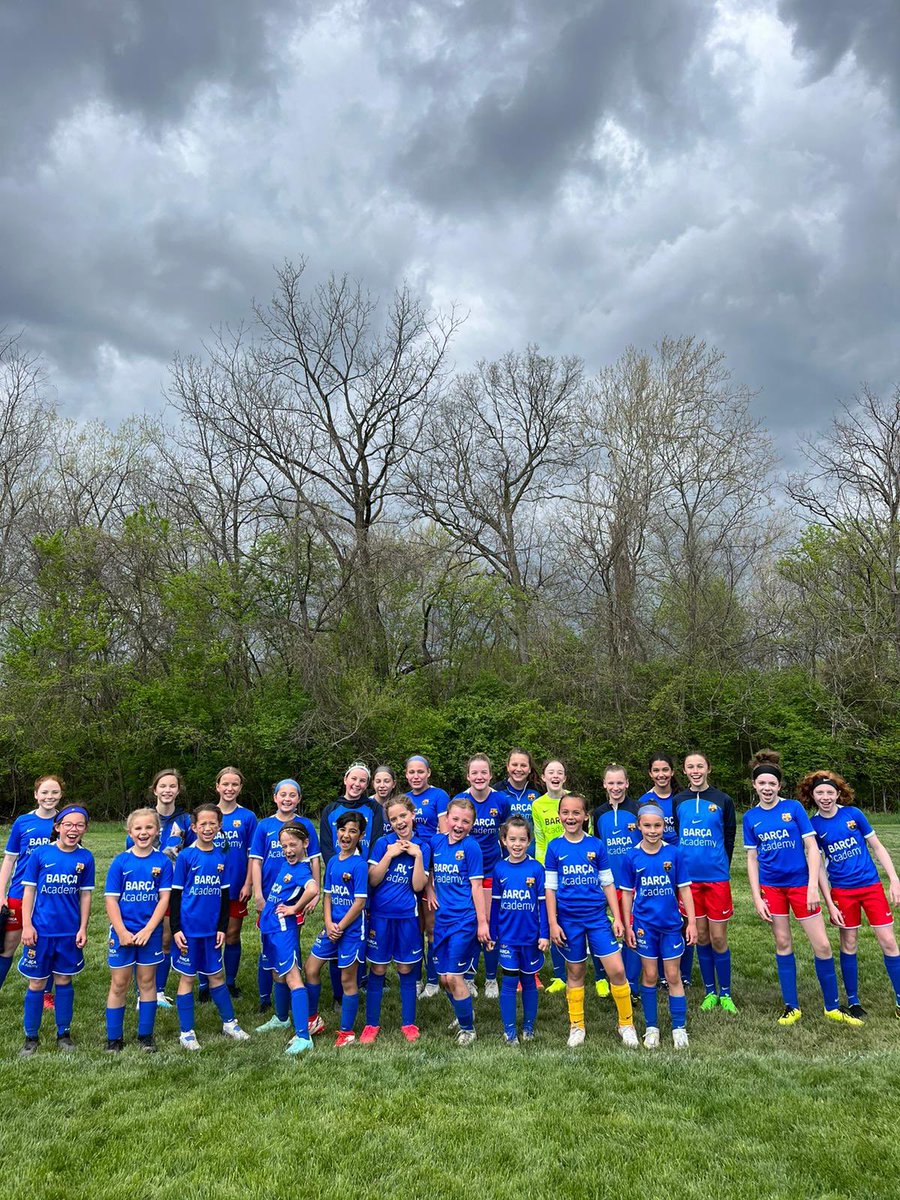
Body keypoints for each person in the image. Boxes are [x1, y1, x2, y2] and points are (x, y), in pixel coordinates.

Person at [743, 751, 861, 1027]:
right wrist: (757, 897)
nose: (767, 788)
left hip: (800, 886)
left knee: (822, 945)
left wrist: (812, 888)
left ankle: (832, 1007)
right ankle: (791, 1007)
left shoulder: (794, 808)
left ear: (779, 786)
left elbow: (812, 848)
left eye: (772, 783)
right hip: (772, 888)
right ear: (755, 785)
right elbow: (751, 858)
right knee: (783, 943)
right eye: (762, 783)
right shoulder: (750, 817)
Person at [802, 769, 900, 1020]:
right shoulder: (813, 825)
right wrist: (829, 903)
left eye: (830, 792)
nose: (825, 797)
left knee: (888, 941)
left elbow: (877, 846)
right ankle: (853, 1001)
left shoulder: (853, 814)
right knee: (849, 943)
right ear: (813, 796)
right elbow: (819, 867)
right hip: (842, 892)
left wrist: (894, 879)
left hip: (871, 887)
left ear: (838, 794)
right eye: (820, 793)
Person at [545, 793, 639, 1049]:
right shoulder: (554, 847)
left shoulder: (596, 845)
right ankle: (577, 1026)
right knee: (575, 972)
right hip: (568, 921)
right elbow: (550, 888)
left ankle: (626, 1024)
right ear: (559, 815)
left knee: (616, 970)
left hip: (597, 918)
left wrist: (617, 917)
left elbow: (607, 883)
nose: (570, 817)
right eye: (565, 812)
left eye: (576, 812)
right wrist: (553, 923)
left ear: (585, 816)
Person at [170, 804, 251, 1050]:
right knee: (187, 978)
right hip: (188, 931)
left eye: (212, 824)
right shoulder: (186, 856)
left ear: (219, 826)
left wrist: (222, 928)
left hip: (211, 931)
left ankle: (229, 1023)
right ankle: (186, 1032)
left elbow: (225, 897)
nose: (207, 828)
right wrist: (176, 928)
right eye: (202, 824)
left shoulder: (221, 856)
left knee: (216, 975)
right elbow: (176, 895)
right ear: (194, 827)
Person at [18, 805, 95, 1056]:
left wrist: (82, 927)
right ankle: (31, 1036)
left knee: (63, 980)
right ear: (58, 827)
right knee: (37, 982)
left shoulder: (86, 858)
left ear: (85, 829)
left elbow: (85, 896)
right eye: (68, 824)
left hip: (68, 933)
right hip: (40, 932)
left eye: (79, 825)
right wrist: (27, 925)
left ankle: (64, 1033)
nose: (73, 829)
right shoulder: (41, 854)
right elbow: (29, 891)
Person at [621, 803, 697, 1050]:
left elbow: (684, 889)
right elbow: (626, 894)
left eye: (657, 825)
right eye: (647, 825)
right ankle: (651, 1027)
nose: (652, 830)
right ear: (639, 826)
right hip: (644, 926)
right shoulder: (631, 856)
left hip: (671, 925)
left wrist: (692, 922)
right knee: (650, 975)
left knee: (673, 975)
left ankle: (679, 1028)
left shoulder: (674, 854)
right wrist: (628, 925)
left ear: (664, 826)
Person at [360, 796, 430, 1043]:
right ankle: (371, 1024)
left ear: (412, 815)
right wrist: (389, 856)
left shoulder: (423, 847)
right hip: (380, 917)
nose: (399, 822)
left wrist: (417, 856)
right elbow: (373, 879)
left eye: (403, 816)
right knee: (378, 968)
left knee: (405, 967)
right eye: (393, 819)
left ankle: (408, 1023)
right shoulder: (383, 843)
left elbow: (418, 886)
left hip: (407, 917)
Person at [439, 755, 509, 999]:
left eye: (484, 772)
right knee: (469, 924)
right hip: (462, 873)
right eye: (474, 773)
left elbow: (506, 833)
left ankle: (490, 978)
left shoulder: (501, 800)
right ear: (468, 776)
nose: (479, 777)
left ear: (491, 774)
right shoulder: (460, 800)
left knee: (488, 923)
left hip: (490, 870)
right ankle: (467, 976)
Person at [249, 778, 321, 1011]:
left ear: (299, 799)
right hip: (270, 896)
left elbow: (314, 859)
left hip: (293, 897)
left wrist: (316, 893)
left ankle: (292, 992)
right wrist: (258, 894)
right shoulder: (264, 826)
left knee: (290, 942)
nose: (287, 799)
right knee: (268, 945)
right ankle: (265, 999)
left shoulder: (305, 825)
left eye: (292, 795)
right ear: (275, 798)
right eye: (283, 794)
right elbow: (256, 861)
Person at [104, 808, 173, 1052]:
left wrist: (149, 930)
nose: (143, 832)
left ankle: (145, 1036)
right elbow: (111, 900)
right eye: (138, 828)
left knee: (147, 982)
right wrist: (122, 931)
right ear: (130, 832)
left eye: (149, 827)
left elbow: (164, 900)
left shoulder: (163, 862)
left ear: (157, 831)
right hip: (122, 933)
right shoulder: (120, 862)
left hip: (149, 934)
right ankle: (114, 1038)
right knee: (119, 984)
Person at [673, 752, 737, 1012]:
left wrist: (721, 865)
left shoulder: (723, 800)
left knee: (718, 938)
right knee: (700, 936)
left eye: (700, 766)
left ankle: (726, 993)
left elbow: (729, 837)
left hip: (716, 879)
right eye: (690, 766)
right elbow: (678, 833)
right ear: (685, 771)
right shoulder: (679, 800)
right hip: (689, 881)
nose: (695, 770)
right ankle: (710, 991)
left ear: (708, 769)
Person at [426, 796, 490, 1046]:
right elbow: (429, 871)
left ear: (472, 824)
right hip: (442, 920)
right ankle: (465, 1011)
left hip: (464, 919)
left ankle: (468, 1029)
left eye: (465, 821)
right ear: (447, 819)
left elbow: (477, 887)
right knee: (444, 979)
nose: (459, 825)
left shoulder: (471, 848)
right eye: (455, 819)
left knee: (453, 976)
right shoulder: (436, 842)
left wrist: (482, 923)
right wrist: (430, 890)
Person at [254, 823, 319, 1055]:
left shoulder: (301, 869)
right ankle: (281, 1018)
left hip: (283, 930)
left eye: (293, 845)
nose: (288, 850)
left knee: (292, 977)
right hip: (271, 928)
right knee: (277, 973)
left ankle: (304, 1036)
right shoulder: (286, 864)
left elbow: (312, 889)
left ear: (305, 844)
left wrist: (295, 908)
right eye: (284, 846)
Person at [305, 811, 369, 1047]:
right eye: (342, 830)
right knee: (311, 968)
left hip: (351, 931)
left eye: (353, 831)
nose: (346, 835)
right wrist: (329, 923)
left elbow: (359, 902)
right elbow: (328, 896)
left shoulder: (359, 865)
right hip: (331, 927)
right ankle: (313, 1020)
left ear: (361, 835)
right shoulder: (332, 861)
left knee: (347, 980)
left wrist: (340, 926)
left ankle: (346, 1032)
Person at [0, 775, 63, 1001]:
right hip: (19, 894)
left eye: (54, 792)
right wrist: (1, 893)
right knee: (8, 945)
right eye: (44, 792)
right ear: (36, 795)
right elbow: (9, 859)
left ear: (61, 795)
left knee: (48, 944)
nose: (49, 796)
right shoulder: (23, 822)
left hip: (50, 897)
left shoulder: (65, 821)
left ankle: (45, 995)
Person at [490, 816, 548, 1044]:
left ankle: (528, 1027)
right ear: (503, 840)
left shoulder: (536, 868)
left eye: (522, 839)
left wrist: (544, 934)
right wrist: (493, 933)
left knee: (529, 981)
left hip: (531, 938)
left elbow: (543, 905)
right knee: (509, 981)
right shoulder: (499, 868)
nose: (517, 844)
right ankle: (510, 1030)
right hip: (508, 938)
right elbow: (495, 904)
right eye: (512, 839)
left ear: (529, 841)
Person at [137, 768, 190, 1008]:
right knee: (145, 937)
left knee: (166, 938)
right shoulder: (144, 817)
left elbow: (191, 853)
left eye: (172, 786)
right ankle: (142, 992)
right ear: (155, 790)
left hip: (173, 887)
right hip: (144, 888)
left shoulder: (185, 820)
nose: (167, 790)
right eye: (163, 786)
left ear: (178, 790)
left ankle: (158, 991)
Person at [591, 763, 641, 996]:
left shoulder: (637, 809)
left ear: (627, 783)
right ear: (604, 784)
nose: (616, 787)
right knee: (604, 929)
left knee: (632, 929)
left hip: (633, 884)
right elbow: (598, 847)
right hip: (608, 884)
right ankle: (603, 976)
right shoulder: (599, 813)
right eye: (611, 783)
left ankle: (631, 982)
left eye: (620, 782)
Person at [403, 754, 449, 999]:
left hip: (431, 865)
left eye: (420, 771)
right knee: (415, 927)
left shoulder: (439, 796)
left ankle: (433, 980)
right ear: (406, 774)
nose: (416, 776)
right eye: (411, 772)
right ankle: (416, 978)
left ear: (428, 773)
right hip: (406, 867)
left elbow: (444, 833)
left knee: (431, 926)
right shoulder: (404, 799)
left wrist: (431, 877)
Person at [212, 767, 258, 999]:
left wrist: (248, 883)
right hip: (209, 887)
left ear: (240, 788)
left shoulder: (248, 817)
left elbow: (253, 855)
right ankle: (207, 983)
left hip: (236, 885)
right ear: (217, 786)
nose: (229, 788)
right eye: (225, 784)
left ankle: (229, 982)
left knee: (231, 934)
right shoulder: (208, 814)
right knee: (209, 934)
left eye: (234, 784)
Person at [531, 759, 570, 994]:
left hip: (574, 866)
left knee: (575, 915)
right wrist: (542, 868)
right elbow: (539, 839)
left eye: (559, 772)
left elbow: (588, 833)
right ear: (544, 777)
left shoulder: (575, 798)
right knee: (552, 917)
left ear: (565, 777)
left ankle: (591, 972)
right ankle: (559, 975)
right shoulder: (538, 804)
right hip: (550, 868)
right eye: (551, 772)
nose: (555, 776)